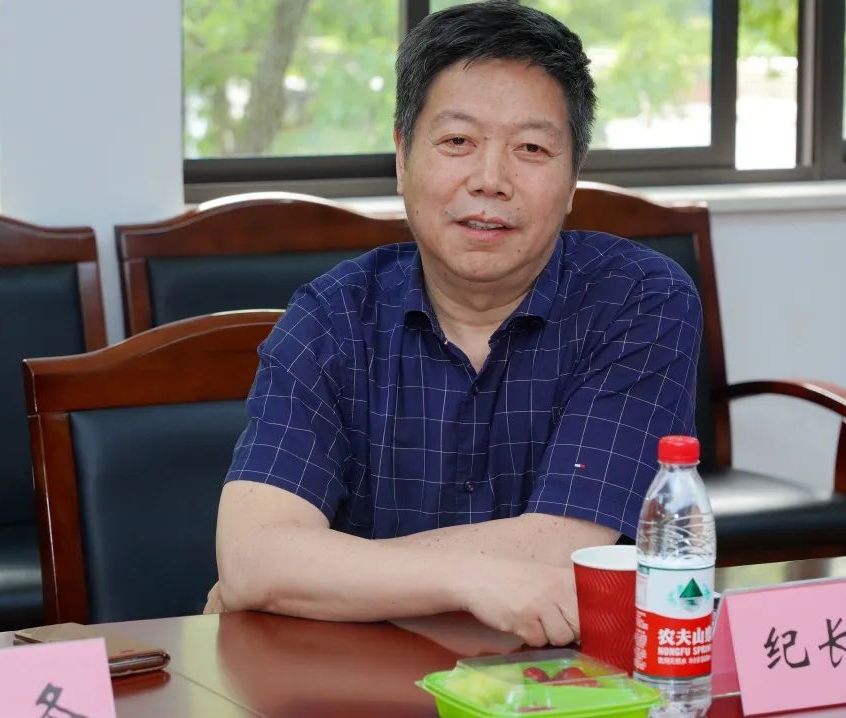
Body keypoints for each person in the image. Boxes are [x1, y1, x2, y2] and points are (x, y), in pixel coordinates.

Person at [207, 0, 702, 648]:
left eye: (531, 148)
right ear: (402, 157)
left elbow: (564, 549)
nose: (490, 180)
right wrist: (472, 577)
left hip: (561, 682)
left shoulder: (638, 300)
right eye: (457, 142)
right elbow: (251, 559)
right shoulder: (331, 319)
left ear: (573, 178)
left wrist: (317, 572)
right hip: (357, 678)